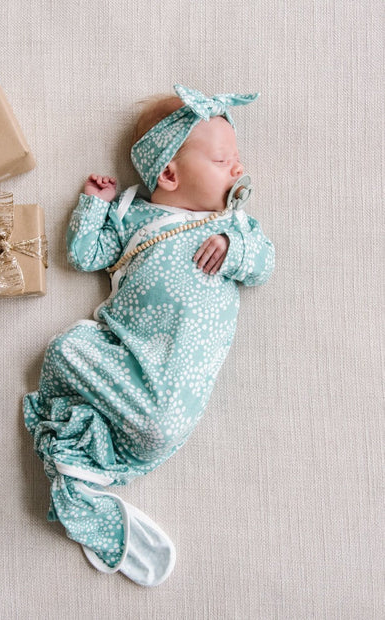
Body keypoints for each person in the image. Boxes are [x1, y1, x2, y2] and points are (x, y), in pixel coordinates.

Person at [23, 85, 275, 586]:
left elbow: (264, 264)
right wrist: (94, 206)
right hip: (127, 353)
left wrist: (234, 249)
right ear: (169, 175)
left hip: (175, 384)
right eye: (223, 160)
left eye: (236, 159)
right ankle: (78, 472)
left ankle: (82, 475)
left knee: (156, 427)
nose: (238, 169)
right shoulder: (132, 218)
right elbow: (86, 255)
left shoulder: (234, 226)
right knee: (65, 349)